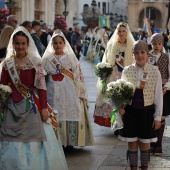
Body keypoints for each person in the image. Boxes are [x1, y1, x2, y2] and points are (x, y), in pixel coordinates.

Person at [0, 26, 68, 170]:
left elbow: (41, 87)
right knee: (11, 136)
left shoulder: (35, 62)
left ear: (28, 44)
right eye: (17, 43)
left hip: (31, 106)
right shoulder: (7, 63)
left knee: (33, 137)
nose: (20, 46)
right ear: (13, 44)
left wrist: (44, 108)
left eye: (23, 43)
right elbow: (2, 86)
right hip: (11, 106)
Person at [42, 30, 94, 148]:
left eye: (60, 43)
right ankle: (57, 142)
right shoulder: (46, 59)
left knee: (69, 112)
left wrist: (81, 92)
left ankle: (70, 142)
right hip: (52, 91)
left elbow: (78, 76)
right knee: (55, 113)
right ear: (52, 44)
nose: (58, 45)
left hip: (69, 92)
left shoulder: (71, 58)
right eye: (55, 43)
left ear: (64, 44)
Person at [118, 40, 163, 170]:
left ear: (147, 54)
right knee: (132, 143)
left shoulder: (155, 71)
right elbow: (122, 91)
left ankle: (144, 167)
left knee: (144, 144)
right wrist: (120, 106)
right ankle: (133, 167)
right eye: (136, 53)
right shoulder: (127, 70)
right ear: (132, 55)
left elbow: (158, 96)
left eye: (142, 52)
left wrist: (157, 117)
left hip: (147, 113)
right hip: (130, 113)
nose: (140, 56)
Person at [94, 22, 135, 127]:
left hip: (127, 75)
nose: (121, 33)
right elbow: (106, 59)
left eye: (123, 31)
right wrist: (104, 74)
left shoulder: (131, 45)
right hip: (114, 74)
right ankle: (114, 122)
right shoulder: (112, 44)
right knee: (112, 98)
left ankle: (124, 122)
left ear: (127, 32)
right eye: (119, 31)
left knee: (125, 98)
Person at [148, 33, 170, 155]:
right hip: (150, 89)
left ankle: (159, 145)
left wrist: (166, 87)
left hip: (163, 90)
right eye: (154, 43)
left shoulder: (166, 57)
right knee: (152, 116)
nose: (157, 46)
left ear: (162, 44)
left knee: (160, 117)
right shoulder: (148, 56)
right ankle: (152, 143)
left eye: (159, 44)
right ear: (151, 44)